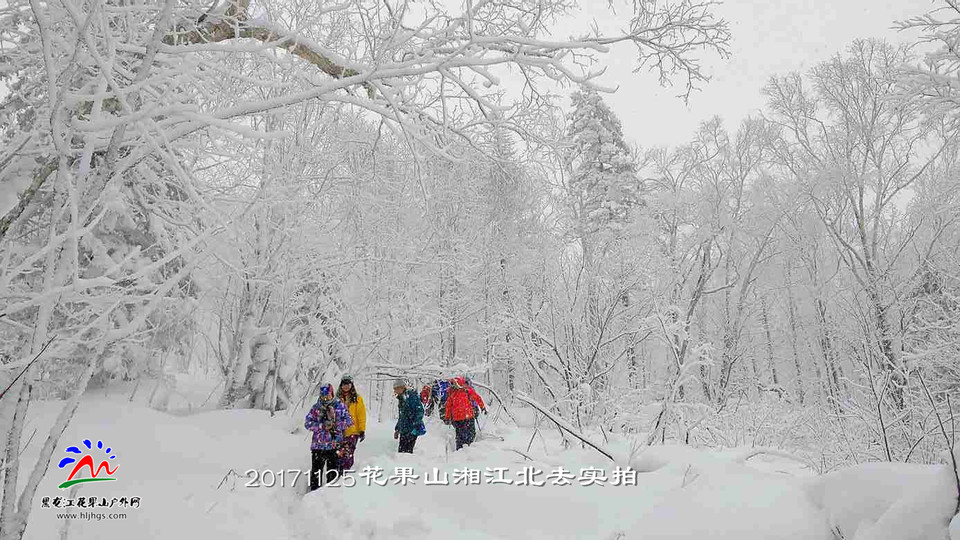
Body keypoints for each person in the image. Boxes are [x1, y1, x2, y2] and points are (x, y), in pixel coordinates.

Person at [304, 383, 352, 491]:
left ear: (332, 394)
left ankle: (330, 496)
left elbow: (349, 421)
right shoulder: (316, 408)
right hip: (318, 446)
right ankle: (313, 495)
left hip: (334, 446)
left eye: (328, 396)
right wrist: (321, 426)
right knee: (316, 473)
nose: (325, 398)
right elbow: (307, 423)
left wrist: (335, 425)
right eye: (323, 396)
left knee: (332, 474)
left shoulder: (340, 406)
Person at [444, 377, 486, 450]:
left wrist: (447, 417)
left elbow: (448, 406)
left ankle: (460, 449)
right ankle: (470, 448)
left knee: (460, 435)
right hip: (468, 416)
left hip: (457, 418)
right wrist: (482, 407)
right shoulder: (467, 390)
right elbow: (477, 398)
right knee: (470, 433)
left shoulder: (452, 392)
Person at [337, 375, 366, 471]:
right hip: (339, 432)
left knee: (348, 453)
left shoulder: (357, 399)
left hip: (353, 431)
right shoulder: (337, 399)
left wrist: (362, 430)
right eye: (344, 384)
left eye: (348, 384)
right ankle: (339, 473)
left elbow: (361, 415)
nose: (346, 386)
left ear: (351, 385)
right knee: (339, 454)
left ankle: (346, 473)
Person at [393, 379, 426, 453]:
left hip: (412, 430)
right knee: (401, 453)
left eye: (396, 389)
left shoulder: (411, 396)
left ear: (401, 387)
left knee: (407, 453)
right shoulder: (401, 398)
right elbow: (402, 416)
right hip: (404, 430)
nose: (395, 391)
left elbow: (420, 411)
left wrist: (415, 425)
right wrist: (397, 429)